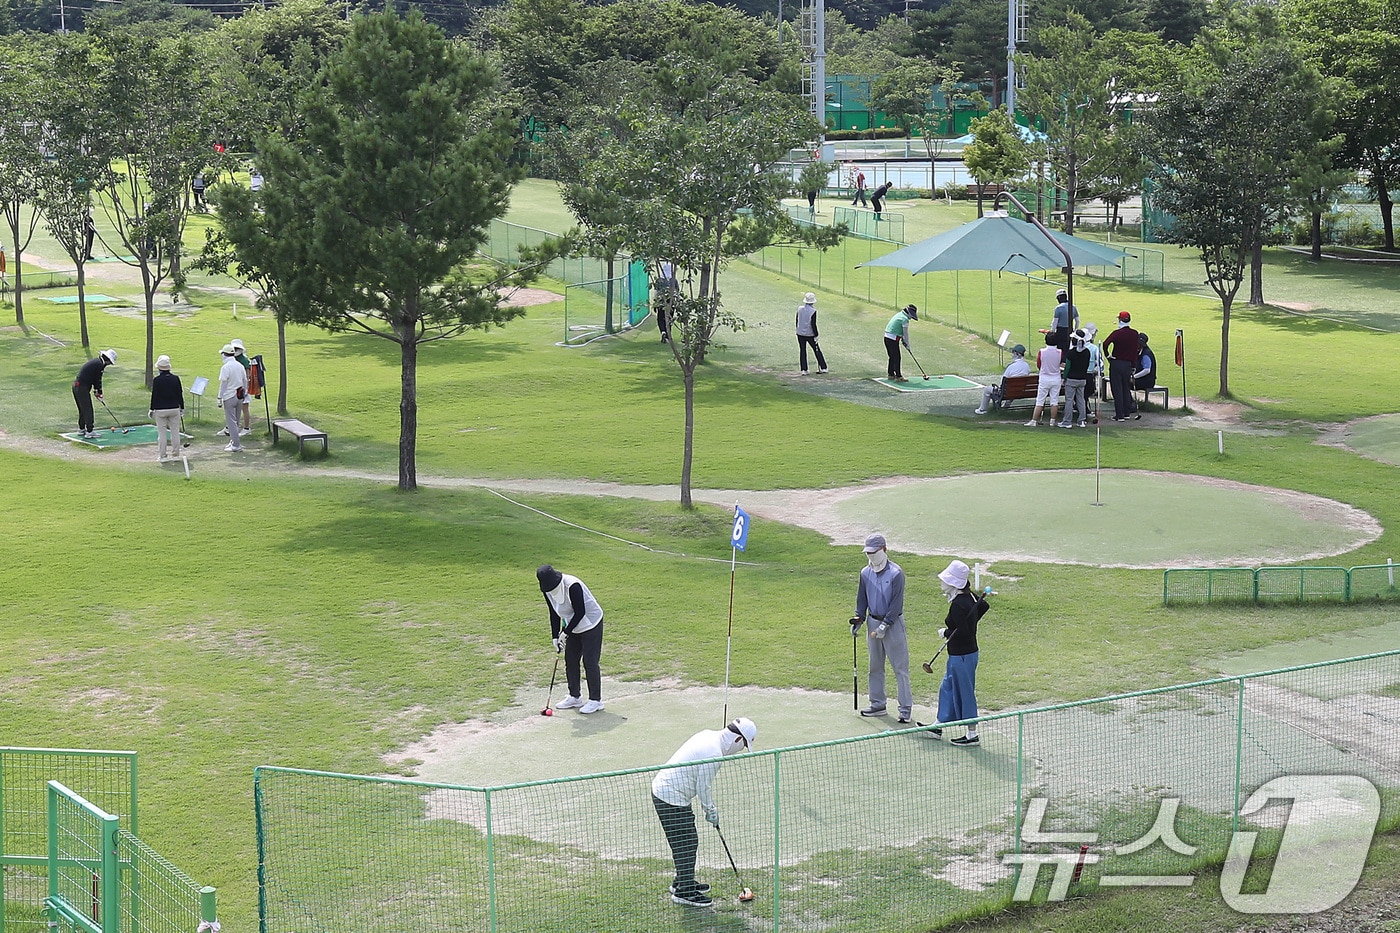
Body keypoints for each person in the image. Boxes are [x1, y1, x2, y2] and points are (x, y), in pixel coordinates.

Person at [651, 717, 757, 907]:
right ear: (737, 740)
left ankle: (682, 882)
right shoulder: (714, 753)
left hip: (667, 792)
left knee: (685, 841)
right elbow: (703, 787)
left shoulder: (708, 735)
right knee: (687, 842)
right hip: (669, 796)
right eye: (743, 746)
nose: (739, 751)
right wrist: (711, 811)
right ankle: (685, 893)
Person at [850, 534, 913, 723]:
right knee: (875, 667)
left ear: (884, 549)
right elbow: (862, 599)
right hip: (872, 622)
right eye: (868, 553)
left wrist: (885, 625)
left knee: (900, 668)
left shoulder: (896, 573)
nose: (870, 556)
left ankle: (905, 710)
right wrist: (859, 618)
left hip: (893, 625)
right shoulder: (865, 572)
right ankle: (877, 704)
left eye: (873, 552)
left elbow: (896, 604)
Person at [926, 560, 989, 746]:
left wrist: (945, 632)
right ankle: (938, 725)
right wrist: (972, 620)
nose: (942, 583)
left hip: (963, 656)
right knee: (947, 688)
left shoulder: (959, 604)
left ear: (954, 583)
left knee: (965, 692)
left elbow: (964, 632)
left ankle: (972, 734)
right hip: (960, 655)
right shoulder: (969, 598)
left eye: (946, 580)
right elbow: (983, 606)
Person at [536, 564, 605, 714]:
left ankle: (596, 700)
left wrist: (565, 632)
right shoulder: (547, 591)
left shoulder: (572, 585)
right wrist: (555, 636)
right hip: (572, 626)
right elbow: (553, 612)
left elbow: (580, 612)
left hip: (591, 623)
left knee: (590, 662)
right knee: (571, 660)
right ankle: (575, 696)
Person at [1101, 311, 1141, 422]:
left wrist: (1108, 356)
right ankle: (1127, 413)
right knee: (1125, 388)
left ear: (1120, 320)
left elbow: (1105, 344)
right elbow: (1135, 350)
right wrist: (1133, 365)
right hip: (1128, 364)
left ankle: (1120, 415)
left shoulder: (1117, 333)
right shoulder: (1135, 334)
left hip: (1117, 363)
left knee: (1117, 389)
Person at [72, 349, 117, 439]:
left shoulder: (97, 362)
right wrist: (99, 392)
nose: (108, 365)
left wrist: (97, 392)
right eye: (109, 363)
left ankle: (81, 429)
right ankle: (89, 431)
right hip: (81, 387)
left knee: (83, 409)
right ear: (108, 360)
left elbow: (93, 380)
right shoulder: (99, 365)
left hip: (77, 386)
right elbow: (97, 380)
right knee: (88, 409)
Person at [975, 344, 1031, 413]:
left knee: (987, 389)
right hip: (1021, 390)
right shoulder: (1027, 366)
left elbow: (1003, 381)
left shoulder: (1011, 366)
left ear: (1016, 353)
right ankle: (1005, 407)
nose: (1012, 354)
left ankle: (982, 409)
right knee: (1013, 389)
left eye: (1013, 352)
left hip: (1007, 392)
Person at [148, 354, 184, 461]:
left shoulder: (157, 380)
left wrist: (151, 408)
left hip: (160, 410)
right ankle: (176, 454)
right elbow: (179, 394)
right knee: (175, 431)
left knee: (162, 433)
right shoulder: (175, 378)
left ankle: (163, 456)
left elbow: (155, 395)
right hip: (174, 408)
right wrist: (182, 407)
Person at [1026, 332, 1063, 427]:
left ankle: (1034, 420)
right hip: (1056, 378)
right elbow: (1060, 363)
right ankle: (1052, 421)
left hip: (1044, 378)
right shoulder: (1060, 352)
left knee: (1040, 400)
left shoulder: (1042, 351)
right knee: (1054, 401)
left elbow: (1039, 364)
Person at [217, 344, 247, 451]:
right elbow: (244, 381)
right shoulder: (240, 366)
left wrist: (219, 397)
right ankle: (233, 441)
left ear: (225, 355)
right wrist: (245, 392)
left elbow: (223, 384)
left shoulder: (226, 367)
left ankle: (236, 445)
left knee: (231, 422)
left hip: (230, 396)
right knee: (236, 420)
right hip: (239, 395)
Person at [1058, 331, 1091, 428]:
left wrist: (1064, 378)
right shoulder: (1087, 352)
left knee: (1069, 400)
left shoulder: (1071, 353)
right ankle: (1081, 420)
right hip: (1082, 379)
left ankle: (1067, 421)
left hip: (1072, 379)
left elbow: (1067, 367)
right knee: (1081, 400)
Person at [795, 292, 828, 375]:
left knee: (802, 350)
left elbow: (797, 320)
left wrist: (798, 329)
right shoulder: (813, 311)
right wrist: (816, 335)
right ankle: (823, 367)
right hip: (810, 334)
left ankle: (804, 369)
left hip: (800, 333)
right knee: (816, 350)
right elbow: (813, 324)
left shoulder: (799, 308)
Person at [883, 304, 917, 382]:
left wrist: (903, 341)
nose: (911, 317)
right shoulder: (905, 319)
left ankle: (891, 374)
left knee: (892, 357)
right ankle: (898, 376)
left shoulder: (899, 314)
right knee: (897, 357)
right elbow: (905, 333)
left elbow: (900, 332)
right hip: (892, 339)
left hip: (887, 338)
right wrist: (907, 344)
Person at [231, 339, 253, 435]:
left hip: (243, 387)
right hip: (234, 387)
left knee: (244, 408)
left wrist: (245, 388)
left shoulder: (244, 360)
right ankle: (231, 426)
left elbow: (248, 375)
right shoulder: (233, 359)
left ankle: (246, 428)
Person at [1133, 332, 1157, 409]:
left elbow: (1147, 370)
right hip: (1141, 379)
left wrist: (1133, 377)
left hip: (1147, 381)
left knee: (1124, 383)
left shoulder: (1146, 354)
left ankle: (1130, 403)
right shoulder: (1139, 353)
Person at [655, 260, 677, 343]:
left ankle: (663, 331)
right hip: (671, 301)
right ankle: (668, 335)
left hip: (661, 301)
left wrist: (655, 302)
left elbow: (656, 292)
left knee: (660, 318)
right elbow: (677, 292)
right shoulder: (674, 280)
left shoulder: (659, 280)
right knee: (669, 318)